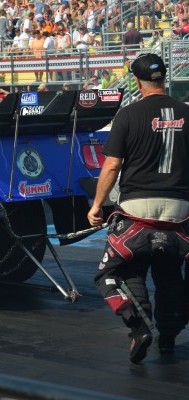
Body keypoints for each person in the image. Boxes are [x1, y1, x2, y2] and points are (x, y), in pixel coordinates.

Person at [87, 54, 189, 363]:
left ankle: (139, 326)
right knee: (170, 273)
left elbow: (112, 165)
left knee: (114, 271)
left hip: (137, 211)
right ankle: (169, 336)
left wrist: (97, 205)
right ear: (164, 77)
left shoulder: (128, 115)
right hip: (179, 213)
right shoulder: (187, 112)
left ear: (137, 81)